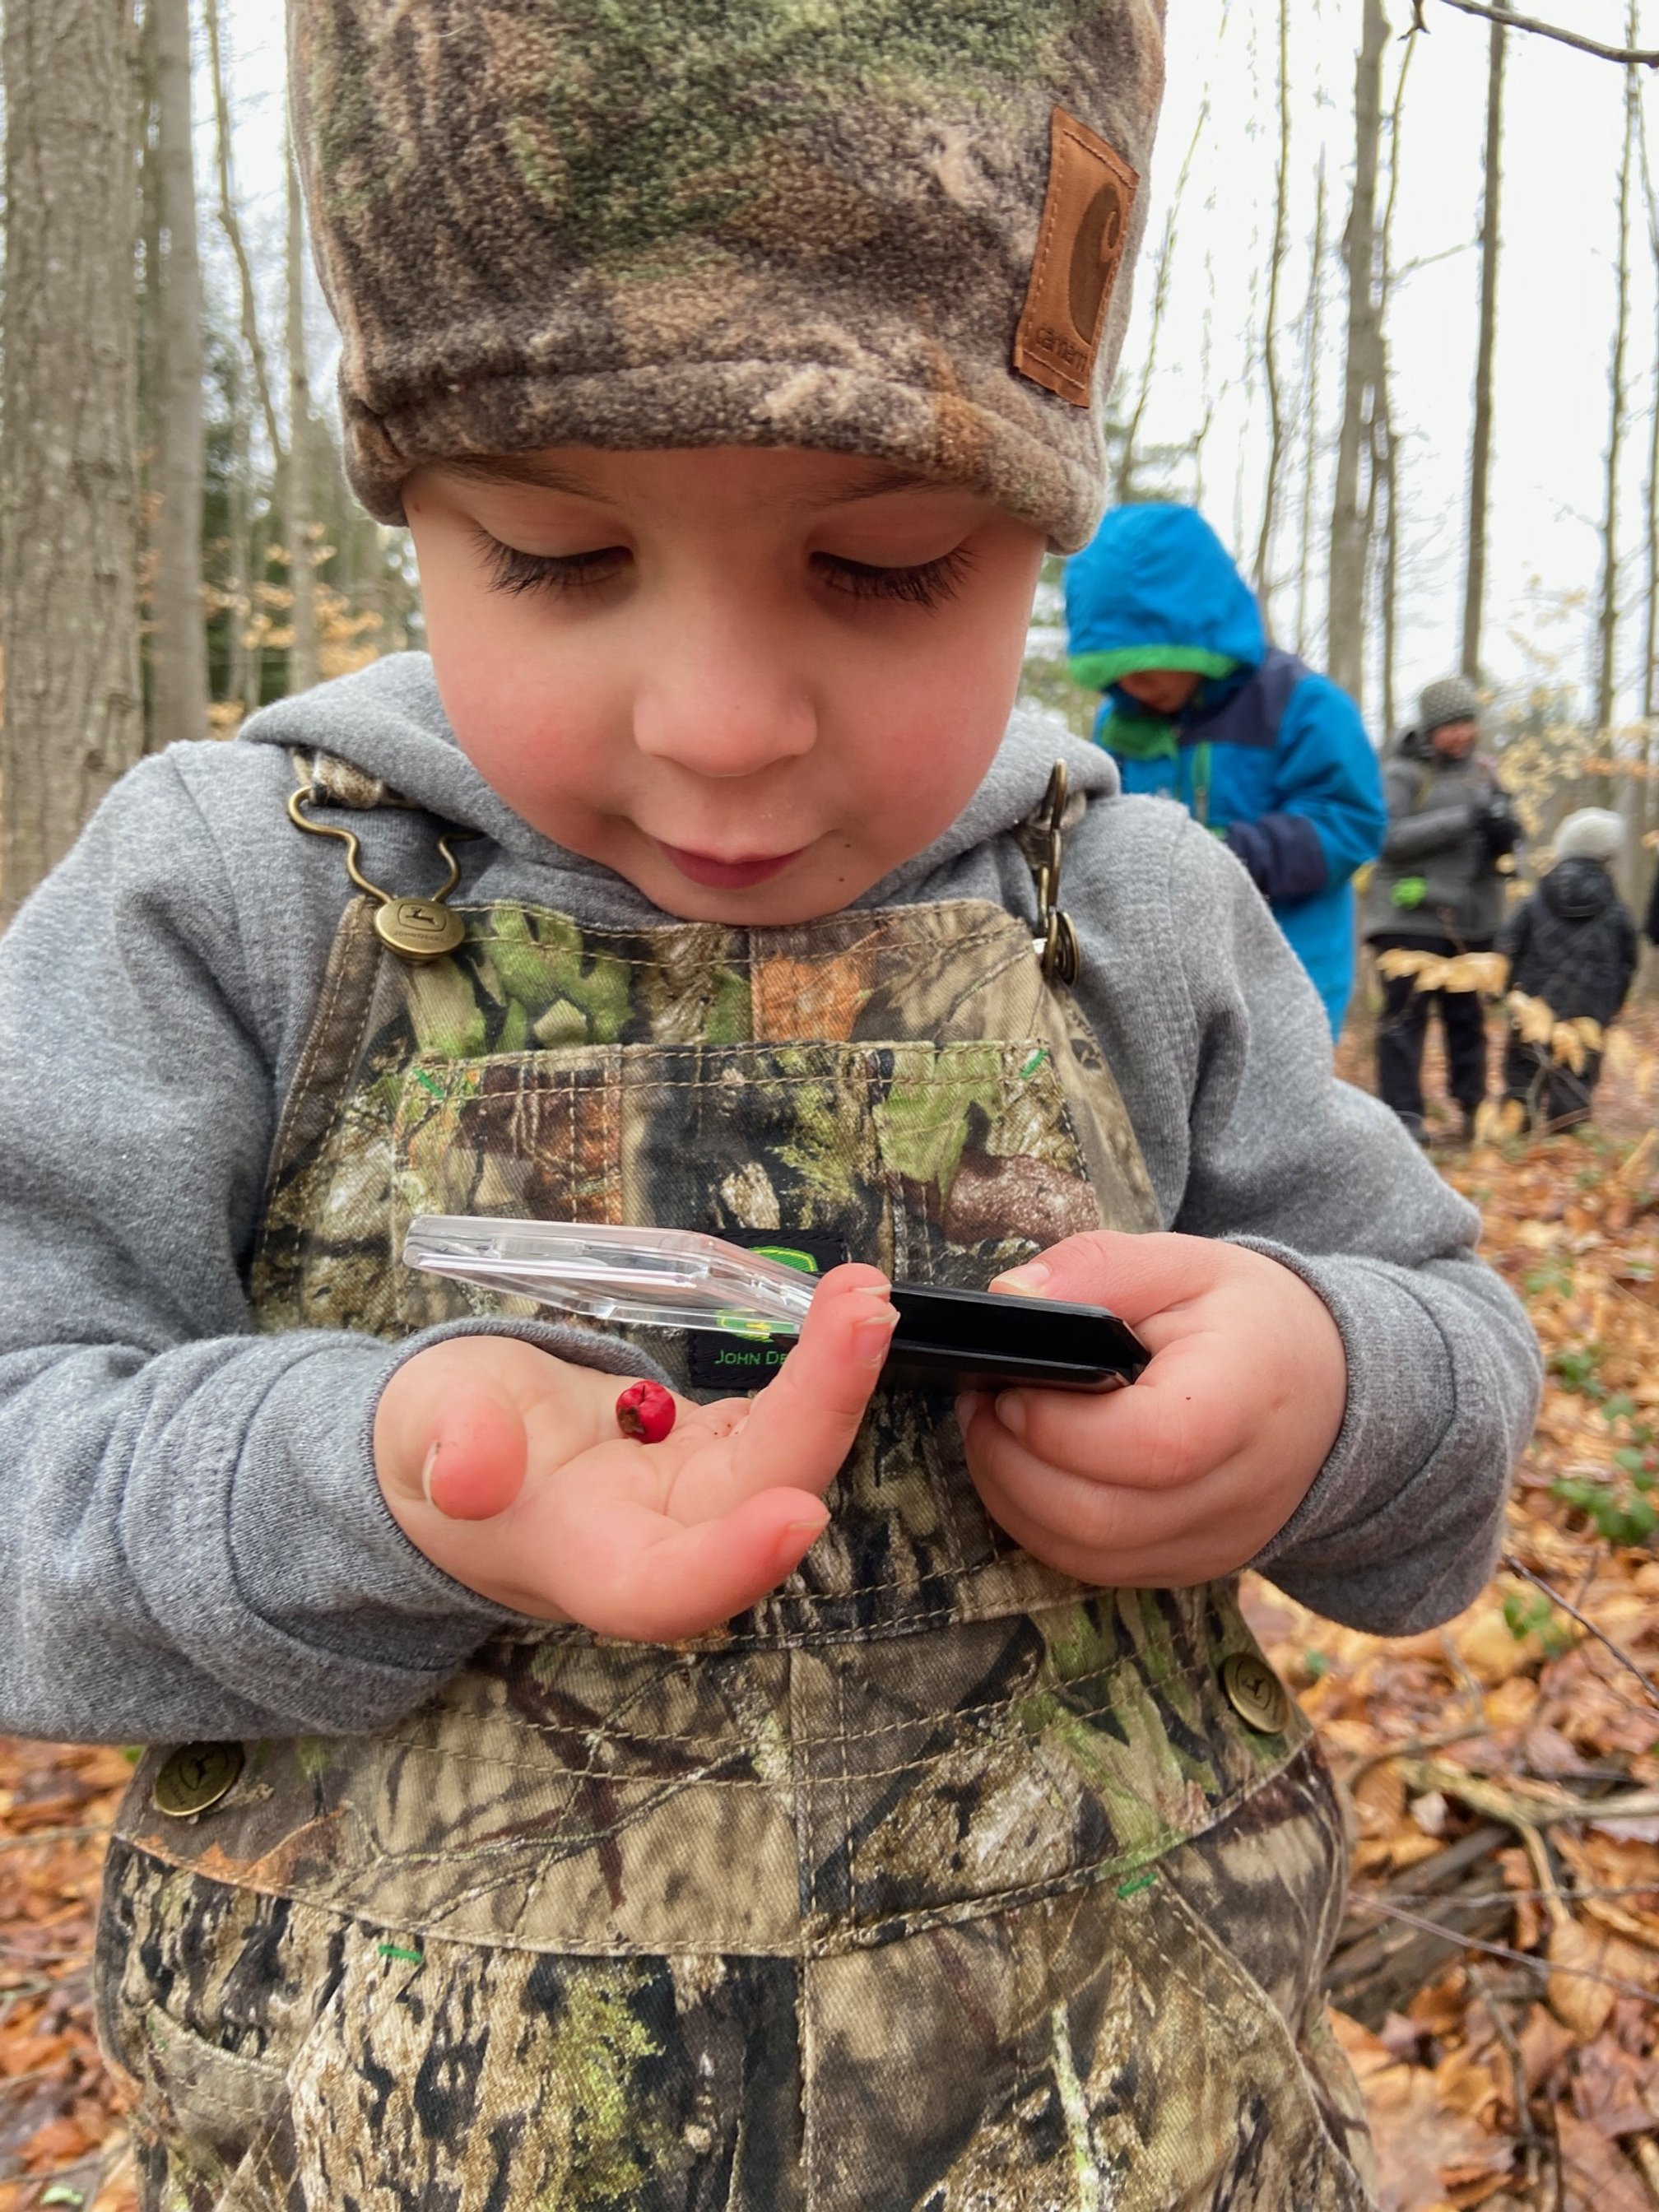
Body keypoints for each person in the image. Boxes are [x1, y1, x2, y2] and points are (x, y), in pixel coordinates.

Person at [0, 10, 1541, 2209]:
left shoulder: (1131, 915)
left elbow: (1460, 1365)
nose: (723, 729)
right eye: (554, 556)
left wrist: (1324, 1392)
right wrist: (368, 1483)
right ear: (417, 513)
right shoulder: (236, 900)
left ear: (1037, 550)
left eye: (888, 566)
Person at [1063, 502, 1387, 1035]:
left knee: (1274, 1108)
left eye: (1146, 664)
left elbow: (1351, 821)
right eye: (1116, 671)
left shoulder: (1302, 706)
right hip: (1168, 977)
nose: (1133, 686)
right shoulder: (1120, 723)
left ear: (1196, 637)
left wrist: (1216, 853)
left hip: (1288, 967)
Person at [1363, 676, 1522, 1145]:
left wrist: (1504, 833)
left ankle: (1473, 1109)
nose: (1461, 735)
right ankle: (1403, 1118)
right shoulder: (1403, 773)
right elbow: (1385, 838)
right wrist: (1464, 820)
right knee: (1405, 1020)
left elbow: (1511, 840)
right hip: (1407, 919)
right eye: (1450, 726)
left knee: (1468, 1020)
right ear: (1430, 729)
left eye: (1467, 724)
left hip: (1473, 921)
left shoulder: (1487, 772)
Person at [1499, 808, 1638, 1131]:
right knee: (1576, 1076)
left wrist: (1508, 992)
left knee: (1523, 1071)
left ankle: (1515, 1130)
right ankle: (1568, 1133)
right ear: (1607, 855)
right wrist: (1612, 1005)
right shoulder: (1616, 910)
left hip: (1533, 1004)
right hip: (1589, 1011)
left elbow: (1508, 946)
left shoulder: (1534, 901)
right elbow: (1627, 962)